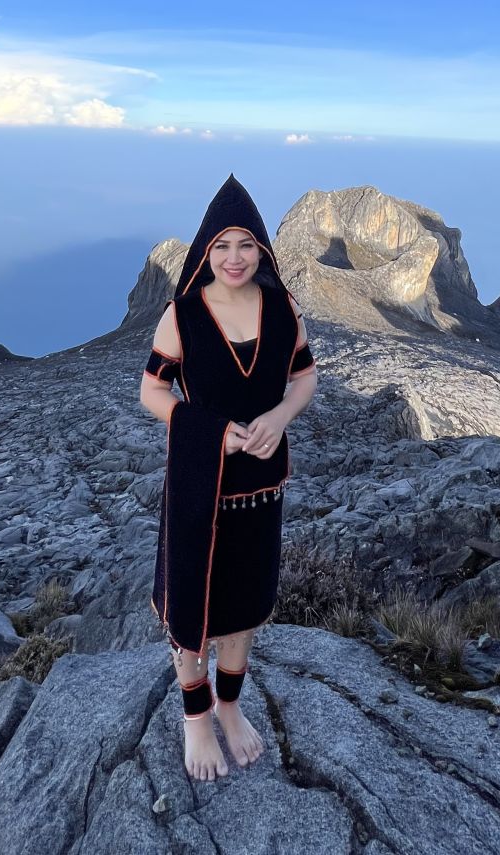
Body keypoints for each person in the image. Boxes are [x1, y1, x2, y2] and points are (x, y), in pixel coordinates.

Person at [138, 175, 318, 782]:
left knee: (243, 606)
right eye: (222, 246)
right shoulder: (182, 315)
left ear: (262, 249)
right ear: (205, 251)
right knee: (192, 605)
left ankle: (231, 705)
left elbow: (303, 380)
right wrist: (212, 430)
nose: (235, 258)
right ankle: (196, 716)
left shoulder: (282, 309)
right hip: (198, 487)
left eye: (245, 245)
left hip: (259, 491)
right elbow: (152, 391)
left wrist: (277, 416)